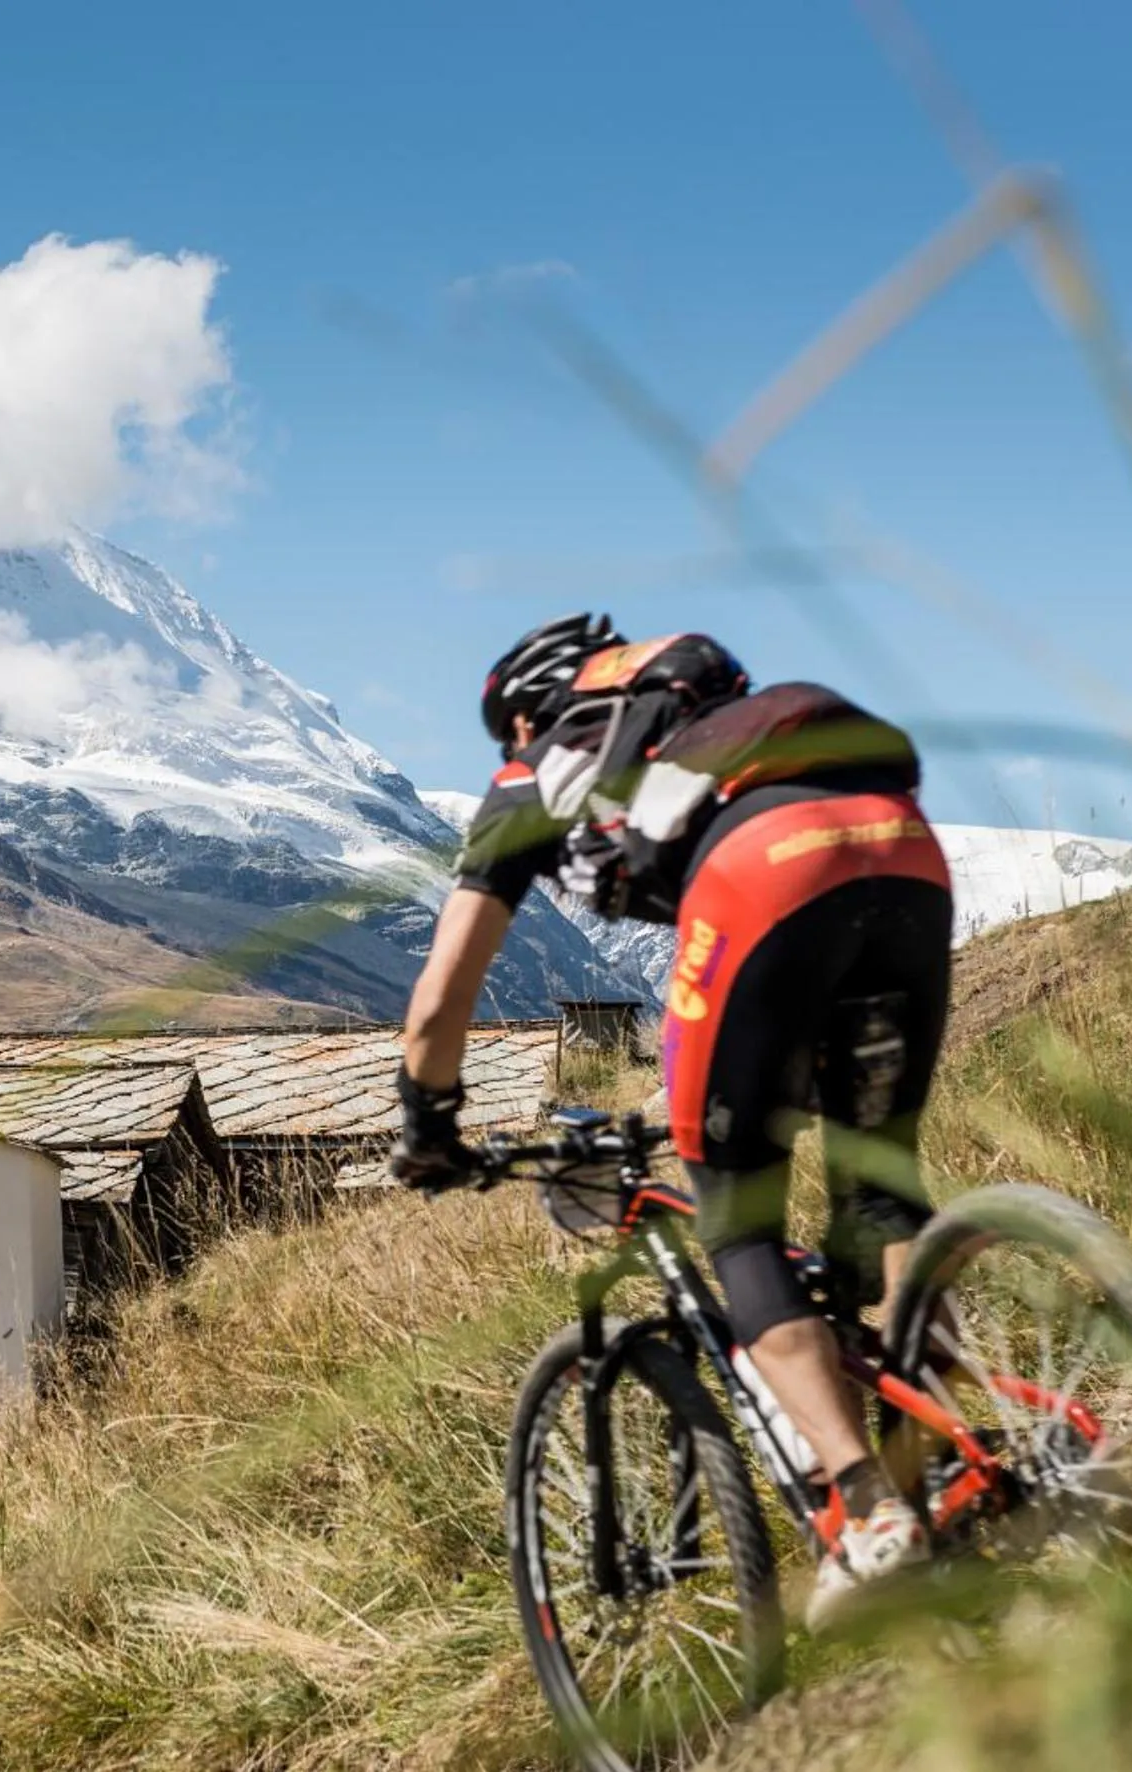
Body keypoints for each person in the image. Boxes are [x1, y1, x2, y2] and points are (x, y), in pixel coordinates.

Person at [392, 611, 953, 1628]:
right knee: (879, 1186)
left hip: (766, 875)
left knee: (736, 1215)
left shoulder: (529, 776)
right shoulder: (713, 722)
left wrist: (428, 1122)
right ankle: (957, 1454)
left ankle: (872, 1511)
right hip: (905, 850)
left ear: (523, 715)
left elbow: (440, 1000)